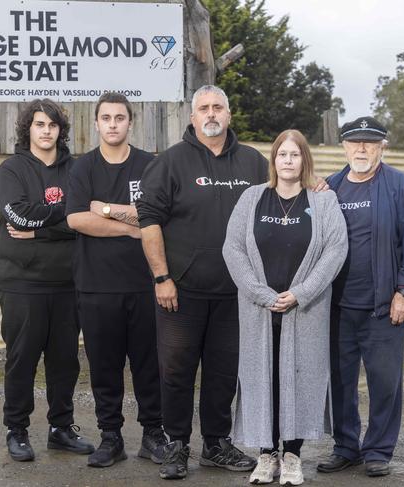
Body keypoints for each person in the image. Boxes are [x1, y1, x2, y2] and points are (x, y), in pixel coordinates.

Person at [136, 85, 268, 480]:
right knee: (176, 371)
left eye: (218, 107)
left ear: (229, 114)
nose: (211, 114)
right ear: (192, 118)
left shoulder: (254, 163)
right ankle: (176, 445)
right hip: (182, 292)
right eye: (203, 108)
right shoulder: (170, 163)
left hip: (236, 293)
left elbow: (287, 195)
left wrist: (319, 186)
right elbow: (149, 221)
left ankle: (216, 444)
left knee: (224, 372)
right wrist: (162, 277)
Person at [222, 130, 348, 485]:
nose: (288, 161)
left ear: (304, 160)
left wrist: (301, 293)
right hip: (258, 310)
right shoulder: (252, 198)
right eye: (282, 155)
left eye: (295, 155)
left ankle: (292, 455)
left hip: (304, 311)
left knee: (300, 379)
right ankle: (266, 455)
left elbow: (335, 250)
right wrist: (261, 293)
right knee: (263, 379)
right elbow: (233, 249)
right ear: (273, 161)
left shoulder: (323, 202)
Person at [316, 117, 404, 477]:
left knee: (385, 382)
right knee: (339, 382)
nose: (362, 149)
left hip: (383, 306)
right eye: (355, 142)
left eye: (370, 142)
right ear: (344, 147)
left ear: (383, 146)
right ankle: (346, 446)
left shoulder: (401, 187)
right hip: (336, 307)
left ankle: (379, 450)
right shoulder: (330, 188)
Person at [66, 92, 166, 468]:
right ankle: (111, 438)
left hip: (144, 283)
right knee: (105, 368)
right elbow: (77, 219)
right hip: (95, 286)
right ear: (96, 123)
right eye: (105, 117)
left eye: (119, 117)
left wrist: (107, 209)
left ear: (129, 122)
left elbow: (155, 215)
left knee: (149, 366)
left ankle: (153, 435)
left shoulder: (149, 165)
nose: (112, 124)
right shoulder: (83, 168)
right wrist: (129, 227)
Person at [0, 99, 94, 462]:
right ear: (29, 129)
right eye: (39, 124)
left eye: (52, 125)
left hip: (69, 282)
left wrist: (42, 230)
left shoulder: (78, 170)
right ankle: (16, 429)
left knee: (65, 360)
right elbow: (18, 215)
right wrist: (65, 217)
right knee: (22, 358)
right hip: (22, 282)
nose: (46, 131)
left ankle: (61, 429)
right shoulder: (11, 169)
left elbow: (85, 220)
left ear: (60, 130)